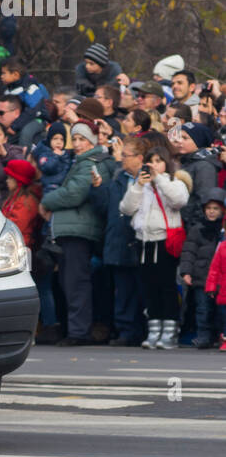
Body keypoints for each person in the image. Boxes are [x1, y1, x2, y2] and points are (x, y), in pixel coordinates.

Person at [39, 123, 109, 347]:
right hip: (71, 229)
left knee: (76, 282)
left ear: (92, 142)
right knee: (68, 282)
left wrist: (47, 201)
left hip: (78, 231)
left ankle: (79, 332)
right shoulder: (79, 162)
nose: (77, 144)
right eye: (75, 139)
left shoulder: (90, 163)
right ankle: (73, 329)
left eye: (82, 139)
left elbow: (75, 193)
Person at [120, 146, 191, 349]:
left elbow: (179, 200)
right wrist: (138, 186)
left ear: (166, 163)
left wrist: (159, 178)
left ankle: (170, 332)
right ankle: (154, 330)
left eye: (159, 160)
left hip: (165, 240)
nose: (154, 164)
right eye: (151, 161)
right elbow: (125, 208)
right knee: (149, 288)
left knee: (167, 286)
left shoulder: (174, 181)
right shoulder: (141, 185)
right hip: (144, 241)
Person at [91, 135, 147, 346]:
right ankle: (125, 330)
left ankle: (142, 330)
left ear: (139, 158)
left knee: (141, 290)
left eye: (126, 155)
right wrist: (97, 189)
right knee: (122, 291)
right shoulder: (118, 178)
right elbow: (105, 207)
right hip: (119, 241)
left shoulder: (148, 178)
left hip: (140, 241)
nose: (122, 159)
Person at [178, 189, 225, 349]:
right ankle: (203, 336)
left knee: (221, 311)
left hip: (221, 277)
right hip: (201, 276)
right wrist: (186, 271)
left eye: (216, 208)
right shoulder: (197, 229)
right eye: (209, 208)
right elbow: (189, 252)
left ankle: (219, 336)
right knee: (202, 309)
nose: (211, 212)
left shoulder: (223, 230)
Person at [170, 122, 220, 229]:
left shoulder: (204, 166)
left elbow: (204, 200)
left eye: (185, 138)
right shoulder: (187, 161)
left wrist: (193, 227)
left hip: (193, 228)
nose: (179, 140)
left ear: (199, 142)